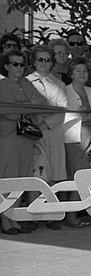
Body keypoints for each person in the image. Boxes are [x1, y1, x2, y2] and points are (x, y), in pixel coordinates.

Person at [0, 49, 49, 235]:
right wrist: (26, 105)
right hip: (8, 137)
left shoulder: (26, 83)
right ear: (6, 66)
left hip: (26, 137)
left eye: (22, 64)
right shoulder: (3, 85)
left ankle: (13, 217)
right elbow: (9, 111)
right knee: (7, 177)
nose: (19, 68)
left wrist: (23, 106)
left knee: (22, 177)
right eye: (15, 64)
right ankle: (4, 218)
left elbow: (41, 102)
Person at [26, 45, 68, 228]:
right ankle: (33, 215)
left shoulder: (59, 84)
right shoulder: (25, 82)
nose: (44, 63)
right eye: (40, 59)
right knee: (35, 175)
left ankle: (51, 215)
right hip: (32, 136)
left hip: (52, 133)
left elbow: (61, 111)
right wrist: (33, 127)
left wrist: (42, 126)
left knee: (52, 176)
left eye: (47, 60)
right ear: (34, 61)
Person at [63, 58, 91, 227]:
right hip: (73, 139)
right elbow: (69, 117)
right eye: (78, 70)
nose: (82, 73)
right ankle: (71, 216)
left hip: (89, 138)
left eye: (85, 70)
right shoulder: (65, 91)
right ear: (71, 73)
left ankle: (70, 213)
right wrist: (88, 117)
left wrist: (87, 117)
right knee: (79, 176)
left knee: (77, 177)